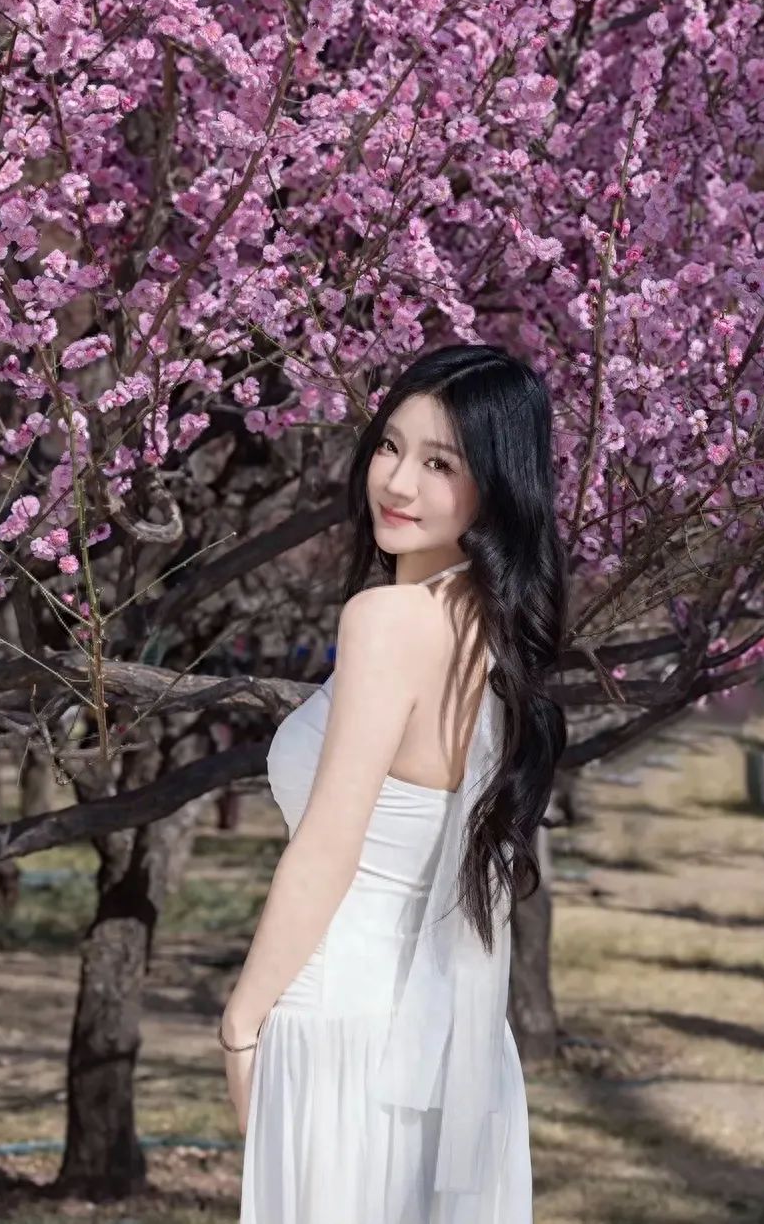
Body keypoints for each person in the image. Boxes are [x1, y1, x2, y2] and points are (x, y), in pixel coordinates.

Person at [222, 341, 568, 1223]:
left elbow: (328, 847)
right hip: (448, 1044)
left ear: (495, 484)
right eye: (390, 446)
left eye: (440, 462)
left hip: (340, 1020)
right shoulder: (494, 638)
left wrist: (241, 1022)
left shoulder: (386, 620)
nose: (398, 483)